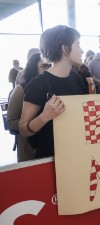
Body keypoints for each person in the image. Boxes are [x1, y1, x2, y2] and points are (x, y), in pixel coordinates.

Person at [19, 25, 85, 159]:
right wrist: (45, 116)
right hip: (49, 158)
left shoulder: (76, 78)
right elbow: (23, 130)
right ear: (64, 48)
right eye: (78, 45)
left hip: (74, 153)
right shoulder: (39, 84)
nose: (82, 51)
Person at [7, 53, 50, 162]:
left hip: (47, 145)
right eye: (43, 66)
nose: (47, 69)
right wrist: (34, 123)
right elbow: (11, 122)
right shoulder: (20, 89)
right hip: (29, 146)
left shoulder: (49, 86)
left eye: (49, 66)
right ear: (33, 67)